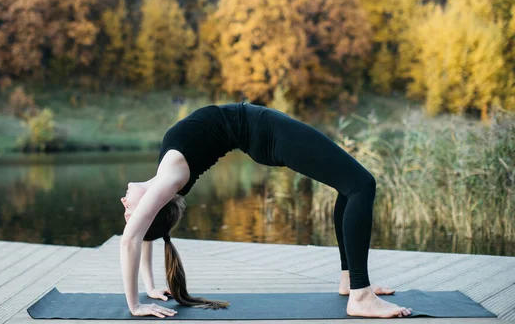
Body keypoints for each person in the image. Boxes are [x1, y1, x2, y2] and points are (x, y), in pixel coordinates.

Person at [120, 102, 412, 319]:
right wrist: (135, 306)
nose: (125, 204)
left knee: (349, 186)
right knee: (362, 184)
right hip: (267, 132)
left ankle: (351, 280)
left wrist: (151, 288)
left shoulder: (163, 178)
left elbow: (143, 235)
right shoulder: (171, 178)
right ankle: (361, 295)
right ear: (150, 209)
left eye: (129, 211)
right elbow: (131, 239)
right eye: (130, 212)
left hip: (263, 128)